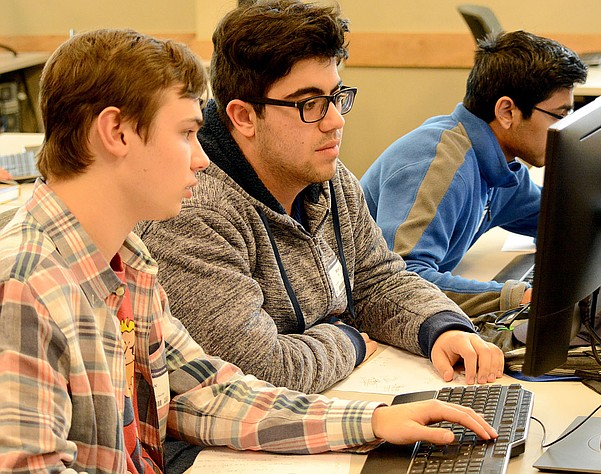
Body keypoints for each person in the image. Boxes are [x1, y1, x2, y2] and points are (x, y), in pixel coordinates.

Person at [0, 28, 498, 473]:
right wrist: (351, 347)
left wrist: (376, 421)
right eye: (186, 134)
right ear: (117, 133)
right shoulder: (26, 287)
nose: (201, 158)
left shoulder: (127, 259)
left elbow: (208, 394)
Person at [137, 0, 504, 395]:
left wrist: (440, 327)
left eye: (336, 96)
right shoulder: (193, 211)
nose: (335, 121)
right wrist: (349, 339)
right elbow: (260, 368)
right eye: (309, 104)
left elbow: (376, 279)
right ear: (243, 116)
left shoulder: (325, 175)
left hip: (324, 404)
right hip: (225, 444)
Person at [360, 31, 587, 317]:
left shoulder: (499, 166)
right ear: (507, 111)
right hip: (360, 316)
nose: (565, 128)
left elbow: (555, 218)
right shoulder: (440, 166)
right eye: (560, 115)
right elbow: (401, 282)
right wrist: (519, 296)